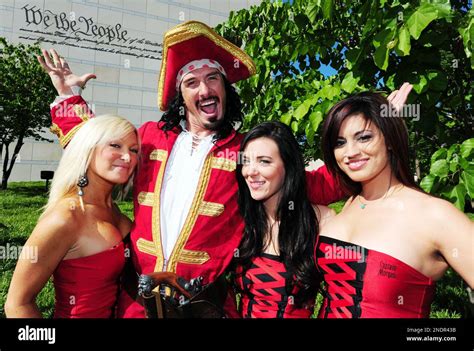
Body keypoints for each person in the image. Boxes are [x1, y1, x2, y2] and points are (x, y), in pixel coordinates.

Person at [37, 21, 344, 318]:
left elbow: (310, 184)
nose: (204, 89)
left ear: (225, 88)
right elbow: (96, 147)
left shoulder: (246, 152)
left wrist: (376, 139)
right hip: (137, 304)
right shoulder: (149, 137)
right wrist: (68, 97)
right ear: (181, 97)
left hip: (205, 305)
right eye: (192, 82)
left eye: (213, 78)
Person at [317, 91, 474, 318]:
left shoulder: (434, 215)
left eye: (364, 138)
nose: (350, 152)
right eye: (340, 143)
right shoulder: (345, 207)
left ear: (389, 139)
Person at [5, 115, 139, 318]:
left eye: (134, 150)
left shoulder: (115, 211)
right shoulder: (65, 218)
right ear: (87, 149)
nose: (127, 157)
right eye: (115, 145)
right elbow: (18, 304)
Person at [233, 121, 335, 318]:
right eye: (246, 161)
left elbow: (346, 296)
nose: (251, 171)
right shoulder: (243, 220)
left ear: (288, 166)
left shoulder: (321, 220)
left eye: (264, 161)